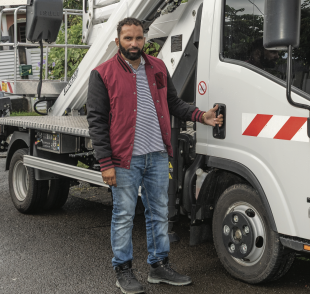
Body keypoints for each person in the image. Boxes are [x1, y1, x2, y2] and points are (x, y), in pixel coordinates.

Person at [87, 17, 223, 294]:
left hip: (158, 155)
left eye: (139, 38)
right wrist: (106, 163)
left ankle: (159, 267)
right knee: (124, 215)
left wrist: (200, 115)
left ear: (144, 40)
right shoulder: (102, 74)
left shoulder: (157, 67)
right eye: (128, 38)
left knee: (159, 213)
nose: (134, 43)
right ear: (118, 41)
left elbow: (172, 103)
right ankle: (123, 270)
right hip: (124, 160)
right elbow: (97, 122)